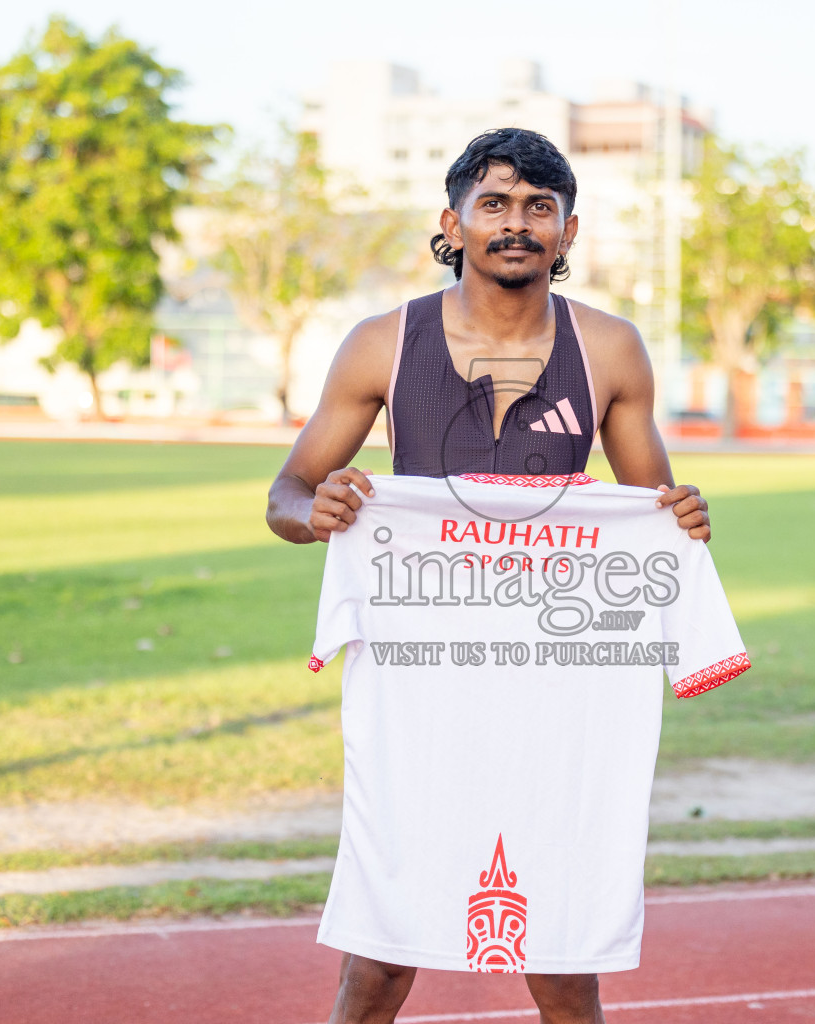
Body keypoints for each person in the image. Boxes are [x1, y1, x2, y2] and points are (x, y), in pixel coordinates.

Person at [267, 127, 711, 1024]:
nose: (518, 224)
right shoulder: (382, 344)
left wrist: (683, 519)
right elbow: (288, 489)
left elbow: (652, 514)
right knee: (384, 949)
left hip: (558, 686)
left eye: (539, 208)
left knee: (560, 949)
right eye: (496, 205)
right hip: (420, 680)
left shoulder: (612, 351)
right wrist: (312, 517)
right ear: (454, 221)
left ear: (568, 231)